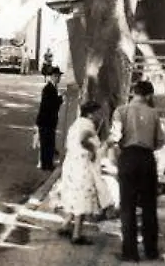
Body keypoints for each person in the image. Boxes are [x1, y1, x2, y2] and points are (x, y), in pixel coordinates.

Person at [109, 79, 165, 262]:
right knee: (149, 206)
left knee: (128, 206)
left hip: (128, 158)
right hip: (147, 159)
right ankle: (151, 250)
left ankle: (130, 252)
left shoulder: (121, 111)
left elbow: (115, 137)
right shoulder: (154, 113)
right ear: (149, 95)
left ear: (134, 93)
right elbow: (159, 142)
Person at [55, 101, 110, 245]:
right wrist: (93, 150)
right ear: (91, 114)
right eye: (98, 113)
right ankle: (77, 234)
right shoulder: (87, 125)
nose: (100, 116)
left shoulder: (77, 123)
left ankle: (65, 225)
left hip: (72, 164)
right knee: (82, 197)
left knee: (73, 195)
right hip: (82, 166)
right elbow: (83, 140)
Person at [35, 66, 64, 171]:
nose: (59, 78)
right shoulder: (48, 89)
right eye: (58, 76)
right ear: (53, 76)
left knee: (49, 143)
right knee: (46, 143)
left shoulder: (52, 88)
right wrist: (60, 99)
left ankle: (47, 163)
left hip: (48, 121)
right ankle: (46, 164)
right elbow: (50, 105)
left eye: (59, 76)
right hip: (46, 121)